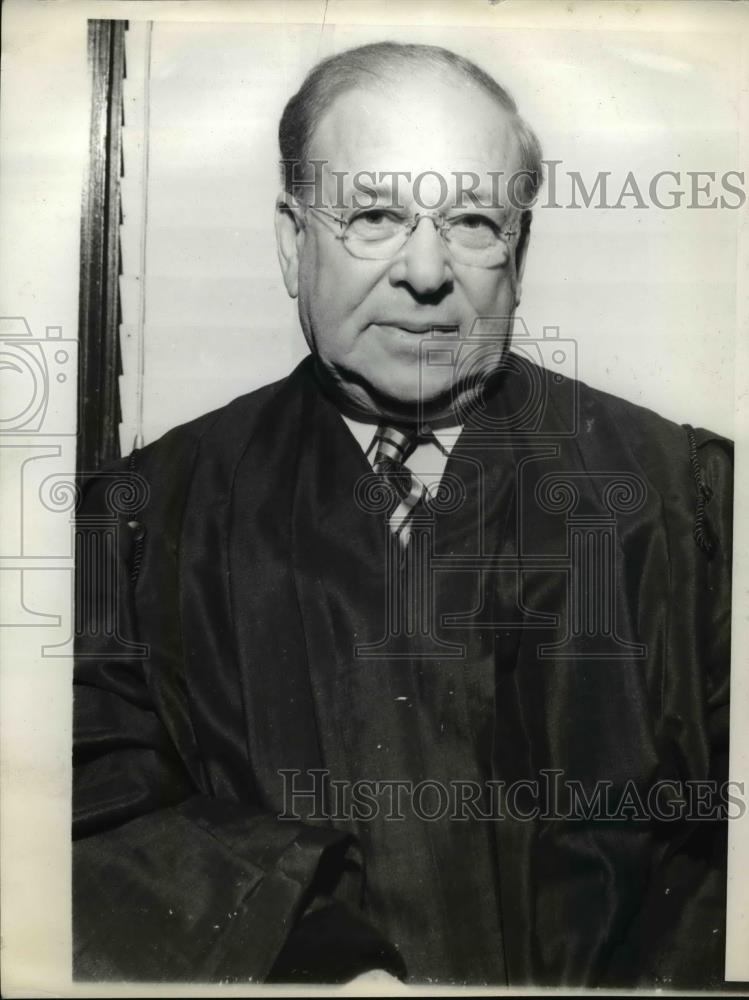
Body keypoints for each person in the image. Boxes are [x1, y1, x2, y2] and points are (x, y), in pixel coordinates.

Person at [72, 42, 733, 988]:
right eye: (373, 215)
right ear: (291, 241)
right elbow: (85, 801)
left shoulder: (689, 504)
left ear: (520, 249)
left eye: (471, 220)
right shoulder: (137, 524)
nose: (425, 273)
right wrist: (297, 952)